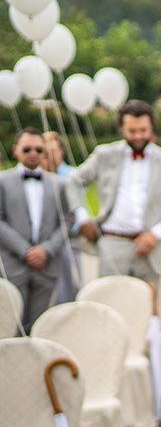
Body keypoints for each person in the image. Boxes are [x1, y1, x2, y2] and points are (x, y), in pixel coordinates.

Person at [69, 100, 161, 368]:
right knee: (108, 306)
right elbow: (74, 181)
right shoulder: (104, 155)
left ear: (152, 129)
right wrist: (83, 217)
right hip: (112, 243)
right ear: (122, 128)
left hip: (152, 246)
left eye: (143, 130)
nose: (137, 136)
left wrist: (156, 234)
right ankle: (109, 364)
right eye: (132, 131)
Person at [0, 128, 74, 331]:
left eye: (38, 150)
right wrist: (25, 251)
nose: (33, 153)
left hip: (47, 265)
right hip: (13, 264)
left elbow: (67, 220)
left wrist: (46, 250)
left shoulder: (59, 184)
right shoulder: (3, 181)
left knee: (40, 325)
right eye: (27, 149)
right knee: (10, 324)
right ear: (16, 150)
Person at [39, 130, 80, 304]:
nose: (49, 157)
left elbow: (75, 212)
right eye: (45, 153)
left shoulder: (73, 175)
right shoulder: (38, 177)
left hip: (68, 241)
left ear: (61, 151)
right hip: (42, 241)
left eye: (53, 152)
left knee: (71, 286)